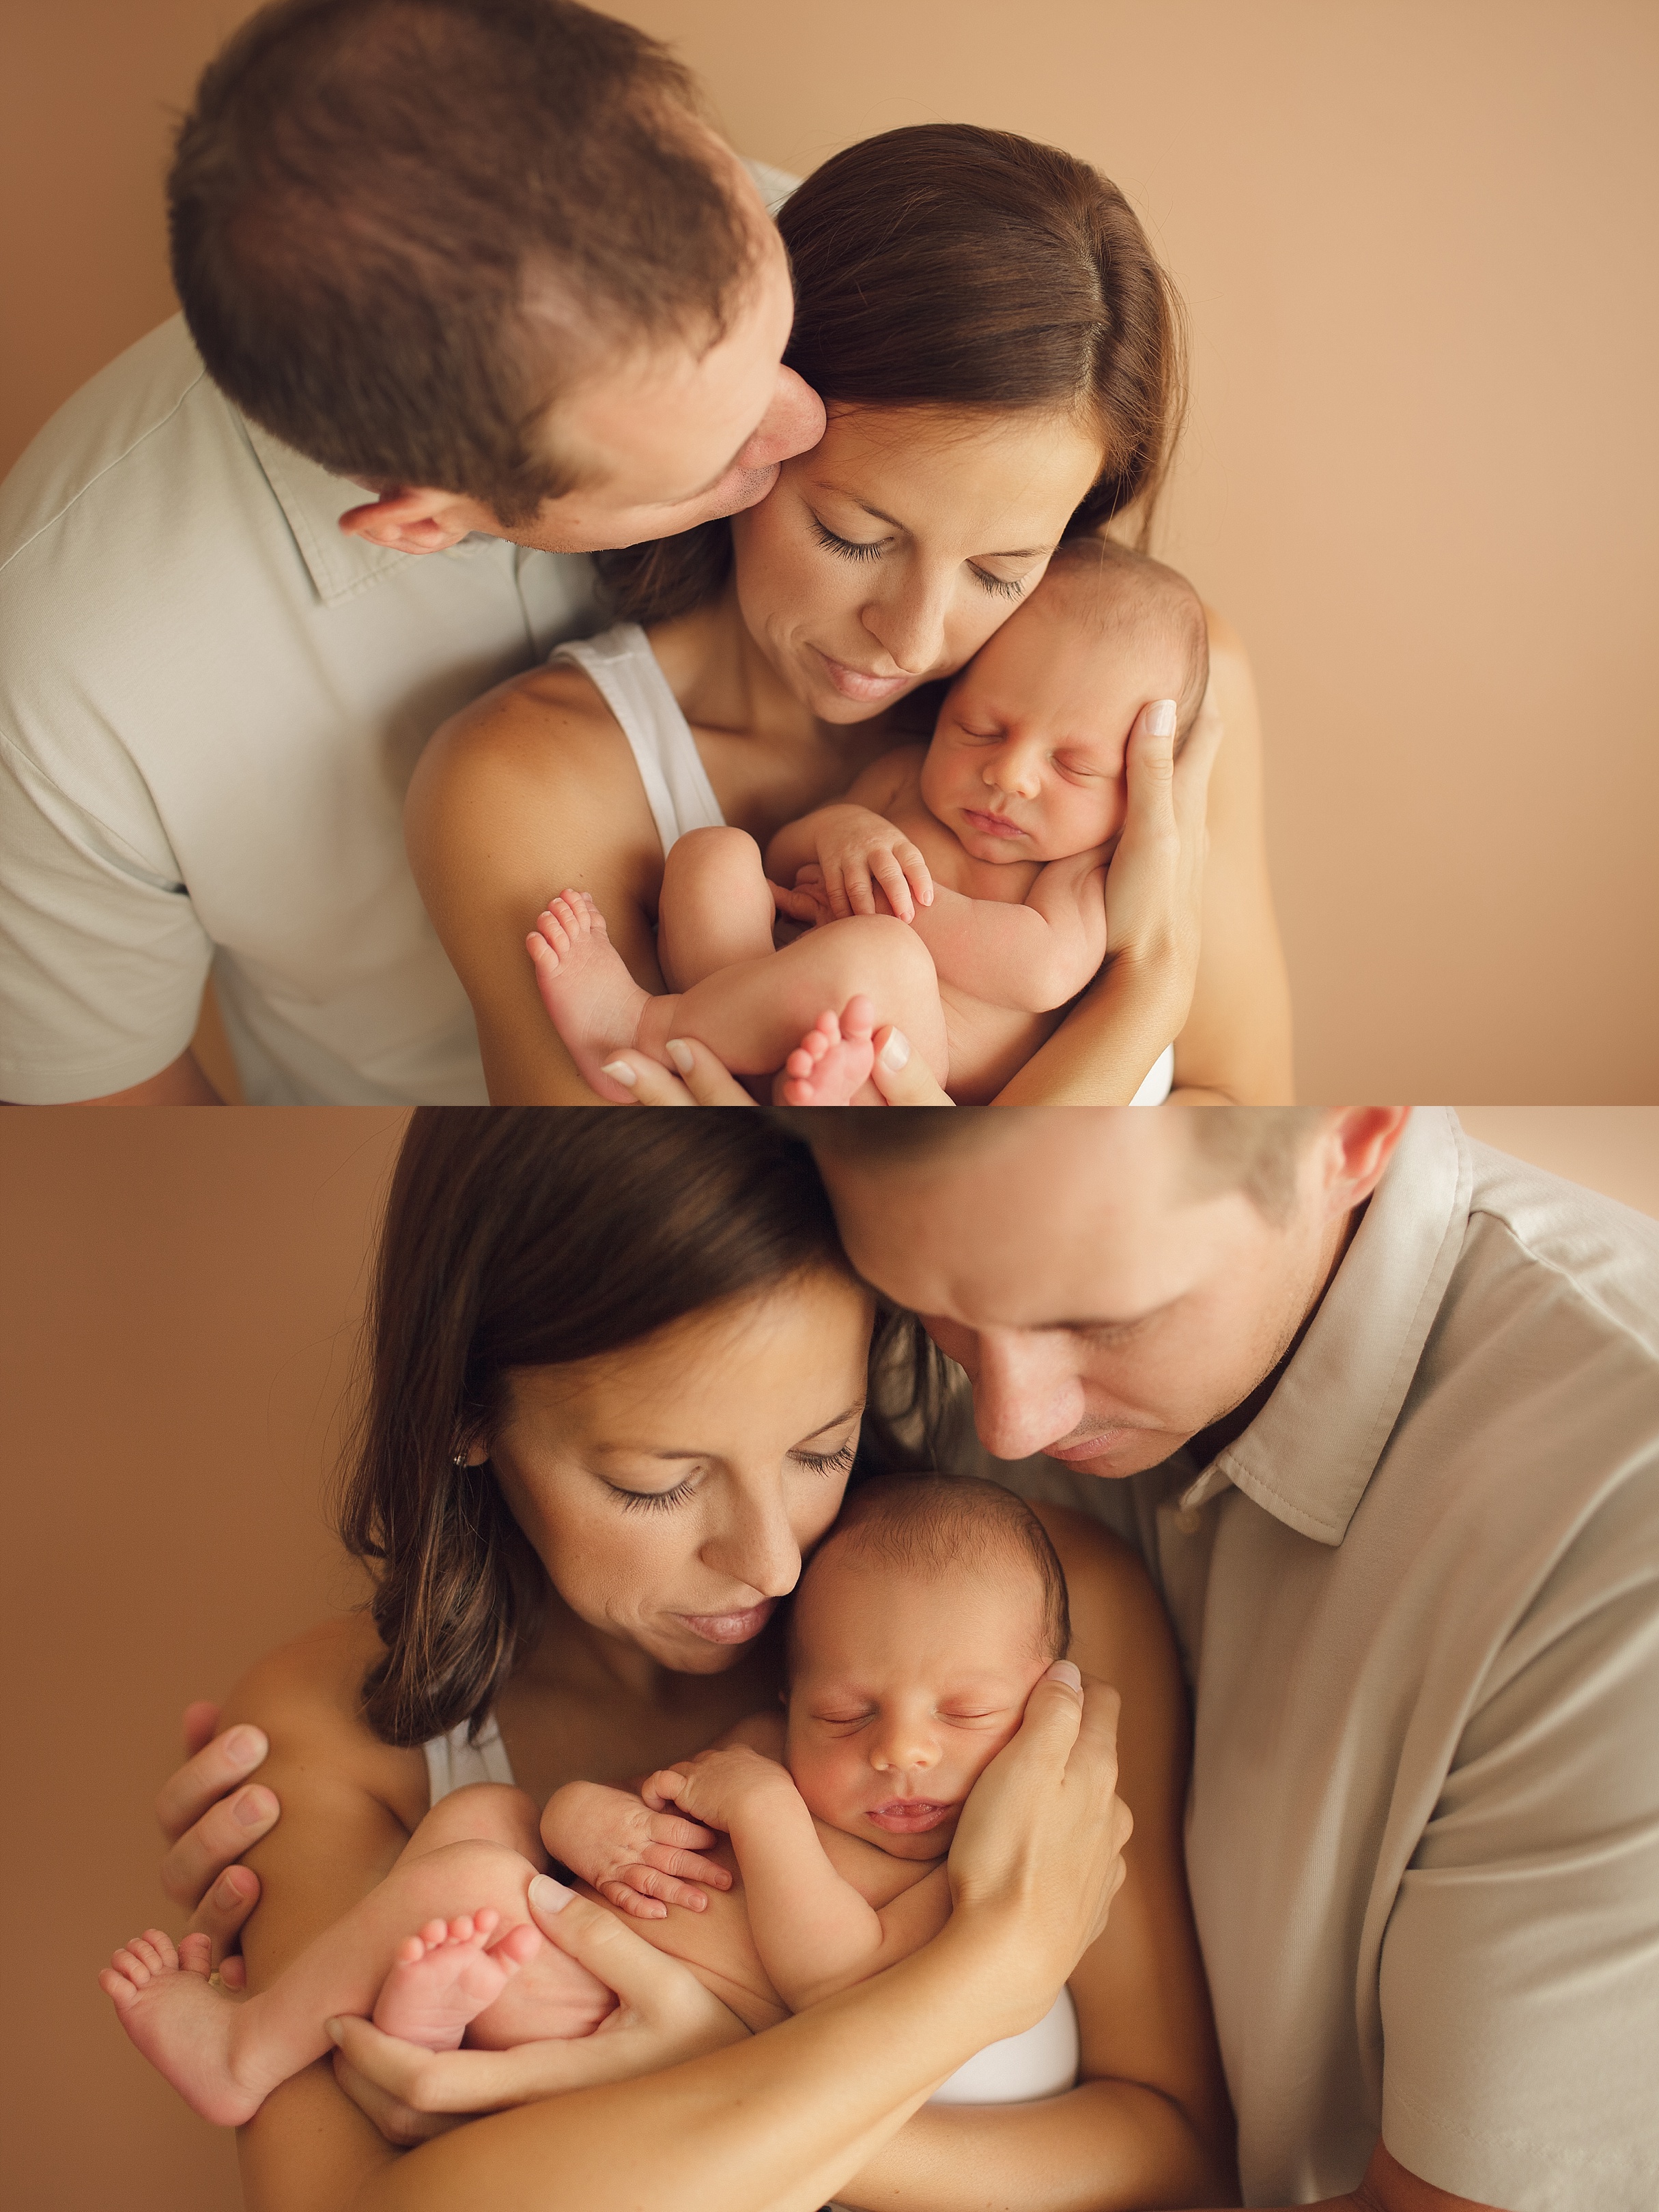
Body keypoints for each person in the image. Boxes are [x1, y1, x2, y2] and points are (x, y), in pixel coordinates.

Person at [141, 1110, 1233, 2212]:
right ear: (469, 1413)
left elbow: (1172, 2158)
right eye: (657, 1484)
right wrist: (978, 1982)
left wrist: (677, 2072)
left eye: (823, 1449)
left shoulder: (1033, 1616)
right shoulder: (327, 1731)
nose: (768, 1562)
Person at [784, 1105, 1659, 2212]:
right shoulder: (904, 1246)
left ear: (1352, 1136)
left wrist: (743, 2127)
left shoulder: (1621, 1522)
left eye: (1106, 1323)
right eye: (941, 1317)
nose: (1006, 1428)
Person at [0, 0, 822, 1105]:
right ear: (423, 519)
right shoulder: (64, 691)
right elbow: (109, 1110)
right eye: (721, 457)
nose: (812, 424)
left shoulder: (781, 227)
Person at [406, 124, 1292, 1107]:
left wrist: (1151, 991)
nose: (912, 641)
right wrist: (1142, 993)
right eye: (853, 536)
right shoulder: (526, 787)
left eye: (1001, 571)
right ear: (747, 434)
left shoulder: (1156, 702)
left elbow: (1235, 1122)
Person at [103, 1476, 1140, 2133]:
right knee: (488, 1821)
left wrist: (769, 1812)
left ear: (1046, 1700)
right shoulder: (752, 1754)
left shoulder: (964, 1875)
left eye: (966, 1714)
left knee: (466, 1876)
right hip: (567, 1947)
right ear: (789, 1696)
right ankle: (435, 2020)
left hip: (615, 2013)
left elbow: (842, 1985)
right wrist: (586, 1826)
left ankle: (248, 2053)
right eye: (842, 1712)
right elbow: (594, 1831)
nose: (901, 1751)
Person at [526, 541, 1209, 1103]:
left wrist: (894, 910)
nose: (1011, 775)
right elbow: (786, 860)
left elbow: (1042, 971)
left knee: (888, 956)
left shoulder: (1085, 866)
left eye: (1076, 767)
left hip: (903, 1061)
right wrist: (840, 832)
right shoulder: (905, 779)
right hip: (769, 980)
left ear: (1140, 786)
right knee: (717, 855)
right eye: (980, 727)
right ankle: (738, 1042)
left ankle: (650, 1023)